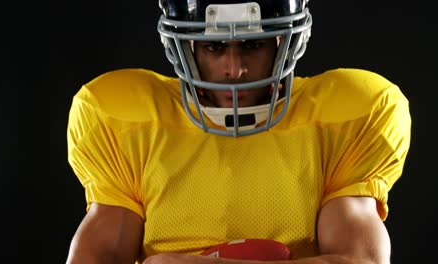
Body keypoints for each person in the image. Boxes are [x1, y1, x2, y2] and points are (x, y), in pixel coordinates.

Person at [65, 0, 411, 263]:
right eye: (214, 47)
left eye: (252, 45)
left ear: (284, 41)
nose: (235, 69)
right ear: (187, 47)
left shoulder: (346, 117)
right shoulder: (126, 121)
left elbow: (358, 261)